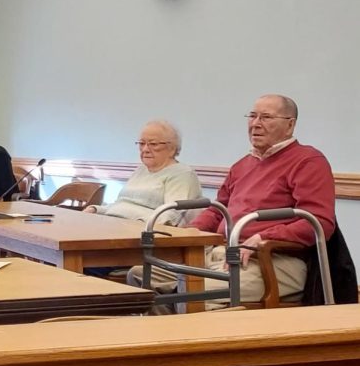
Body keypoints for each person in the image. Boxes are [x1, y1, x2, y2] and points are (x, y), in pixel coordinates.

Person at [129, 94, 336, 308]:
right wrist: (191, 232)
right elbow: (219, 210)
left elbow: (319, 222)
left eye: (265, 117)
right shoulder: (243, 164)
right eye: (252, 116)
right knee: (139, 278)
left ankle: (196, 338)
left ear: (290, 125)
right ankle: (167, 339)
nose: (256, 124)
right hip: (222, 252)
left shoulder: (308, 161)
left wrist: (262, 237)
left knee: (192, 292)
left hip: (270, 259)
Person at [84, 120, 201, 226]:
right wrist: (97, 210)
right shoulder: (141, 170)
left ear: (172, 149)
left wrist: (134, 224)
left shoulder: (181, 173)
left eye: (153, 144)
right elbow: (121, 204)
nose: (145, 149)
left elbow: (171, 216)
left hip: (142, 235)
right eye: (141, 143)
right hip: (116, 225)